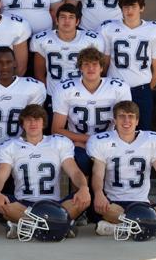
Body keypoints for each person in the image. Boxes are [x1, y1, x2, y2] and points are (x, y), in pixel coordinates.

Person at [0, 104, 91, 238]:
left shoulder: (58, 143)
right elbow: (0, 175)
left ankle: (25, 225)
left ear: (43, 123)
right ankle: (61, 224)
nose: (33, 123)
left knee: (84, 198)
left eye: (37, 119)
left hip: (54, 204)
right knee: (3, 204)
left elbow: (74, 172)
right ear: (22, 124)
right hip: (23, 204)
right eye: (28, 120)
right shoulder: (10, 147)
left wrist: (84, 187)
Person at [51, 47, 131, 176]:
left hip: (109, 142)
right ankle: (82, 194)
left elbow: (126, 123)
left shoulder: (118, 88)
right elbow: (56, 129)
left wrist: (103, 141)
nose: (91, 68)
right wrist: (89, 139)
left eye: (95, 64)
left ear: (101, 68)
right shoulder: (65, 89)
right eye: (86, 64)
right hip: (79, 142)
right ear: (80, 68)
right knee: (81, 162)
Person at [87, 101, 156, 236]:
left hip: (142, 203)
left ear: (137, 120)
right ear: (114, 120)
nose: (126, 120)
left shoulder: (151, 141)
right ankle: (150, 226)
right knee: (102, 208)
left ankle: (119, 228)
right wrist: (99, 194)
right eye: (122, 116)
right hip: (114, 204)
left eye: (131, 116)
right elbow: (97, 174)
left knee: (150, 212)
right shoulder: (102, 142)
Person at [31, 3, 105, 123]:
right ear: (56, 20)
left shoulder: (91, 40)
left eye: (71, 17)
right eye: (63, 17)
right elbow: (39, 73)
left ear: (77, 22)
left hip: (82, 94)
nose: (67, 21)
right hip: (54, 93)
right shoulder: (43, 40)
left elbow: (98, 69)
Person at [100, 0, 156, 131]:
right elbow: (105, 61)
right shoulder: (108, 29)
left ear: (142, 8)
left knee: (143, 130)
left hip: (142, 89)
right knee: (112, 129)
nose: (129, 11)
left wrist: (147, 87)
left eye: (133, 6)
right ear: (121, 9)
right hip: (114, 88)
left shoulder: (154, 30)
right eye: (125, 7)